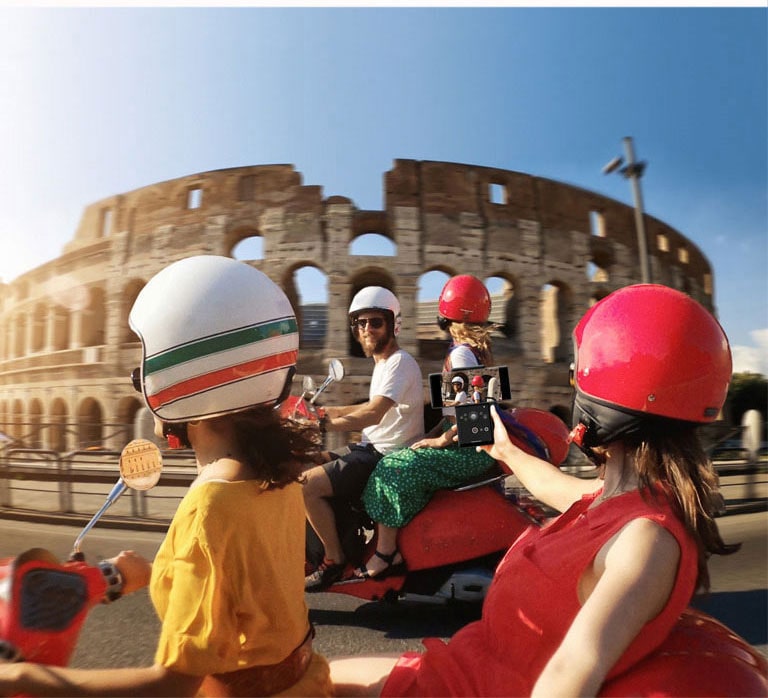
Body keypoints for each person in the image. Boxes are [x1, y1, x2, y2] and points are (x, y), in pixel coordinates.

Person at [330, 283, 739, 696]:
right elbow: (546, 481)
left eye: (578, 374)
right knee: (317, 678)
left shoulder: (644, 541)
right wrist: (503, 445)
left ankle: (385, 553)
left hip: (476, 685)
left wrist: (446, 440)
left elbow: (570, 673)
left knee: (395, 467)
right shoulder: (613, 501)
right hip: (459, 663)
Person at [0, 255, 333, 697]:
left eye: (145, 365)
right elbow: (241, 580)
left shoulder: (210, 507)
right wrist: (152, 573)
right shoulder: (281, 475)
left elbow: (171, 685)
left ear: (181, 371)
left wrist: (23, 678)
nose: (139, 380)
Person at [355, 274, 498, 579]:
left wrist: (437, 442)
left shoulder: (460, 354)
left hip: (471, 453)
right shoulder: (475, 351)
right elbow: (457, 415)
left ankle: (386, 553)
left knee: (392, 467)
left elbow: (473, 419)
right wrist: (428, 438)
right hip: (473, 448)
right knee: (408, 454)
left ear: (445, 315)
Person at [303, 286, 424, 590]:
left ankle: (333, 559)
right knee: (303, 462)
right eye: (360, 323)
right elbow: (366, 406)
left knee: (305, 487)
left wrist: (321, 428)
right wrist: (324, 411)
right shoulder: (383, 363)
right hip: (367, 448)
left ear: (393, 324)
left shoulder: (400, 362)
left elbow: (374, 414)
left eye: (375, 322)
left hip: (381, 455)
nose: (366, 329)